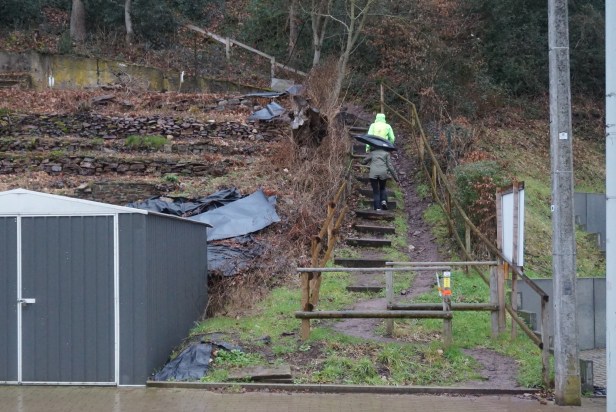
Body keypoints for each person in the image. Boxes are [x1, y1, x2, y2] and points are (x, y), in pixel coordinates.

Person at [361, 146, 399, 211]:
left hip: (373, 173)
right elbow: (390, 166)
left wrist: (364, 161)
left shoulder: (372, 153)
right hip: (383, 173)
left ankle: (377, 208)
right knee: (382, 188)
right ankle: (383, 201)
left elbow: (364, 162)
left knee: (375, 191)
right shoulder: (386, 153)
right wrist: (396, 178)